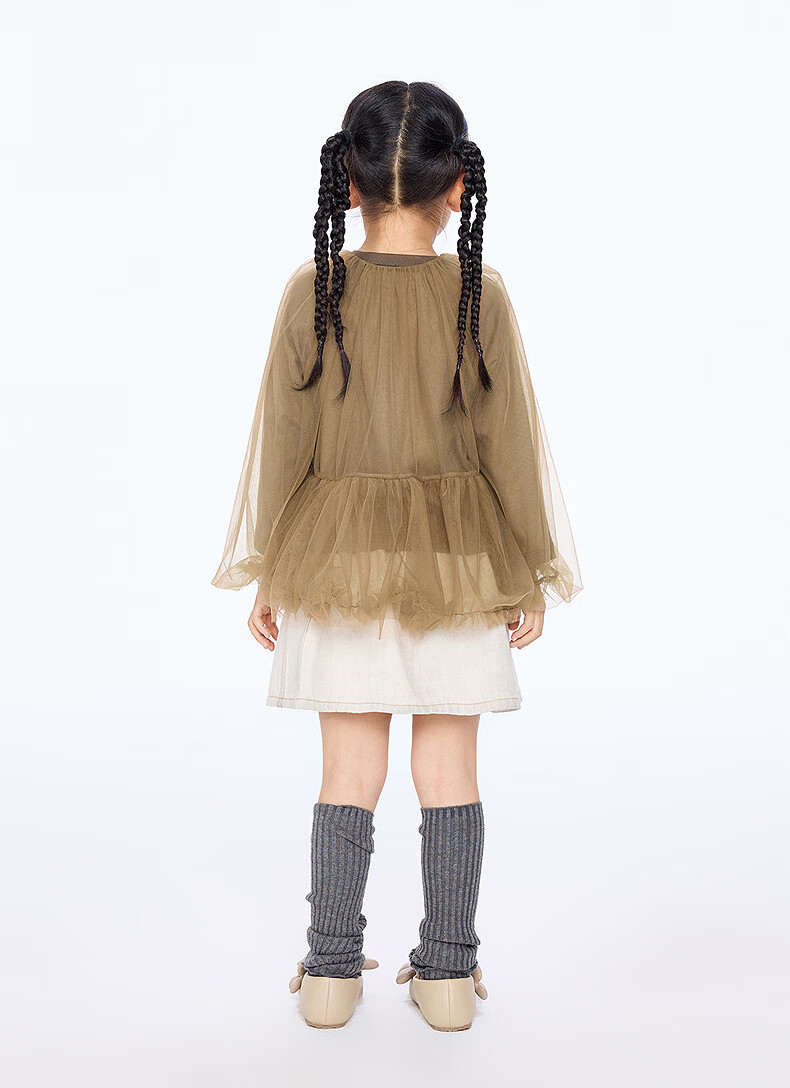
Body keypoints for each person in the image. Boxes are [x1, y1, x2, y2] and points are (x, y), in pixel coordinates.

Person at [211, 80, 582, 1031]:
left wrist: (272, 566)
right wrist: (532, 569)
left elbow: (285, 442)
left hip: (338, 560)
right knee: (449, 774)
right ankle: (448, 978)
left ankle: (332, 976)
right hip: (459, 563)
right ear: (458, 185)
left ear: (348, 183)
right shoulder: (477, 293)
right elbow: (508, 442)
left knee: (348, 774)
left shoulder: (316, 288)